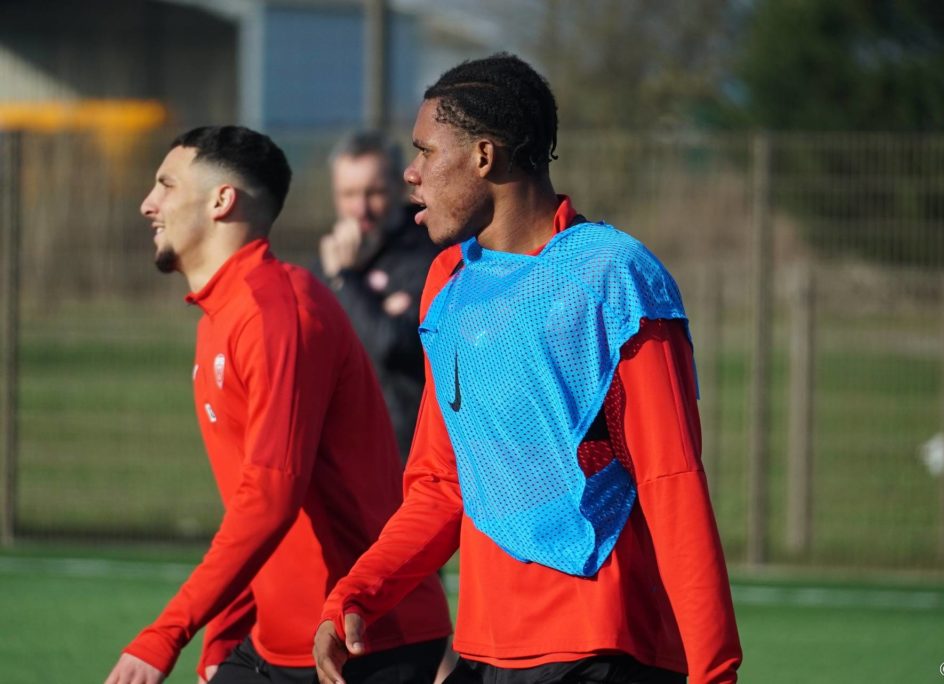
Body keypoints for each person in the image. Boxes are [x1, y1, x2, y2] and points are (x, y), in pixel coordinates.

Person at [314, 53, 742, 684]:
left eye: (426, 151)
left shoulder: (613, 275)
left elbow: (671, 478)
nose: (411, 172)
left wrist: (714, 671)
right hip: (485, 650)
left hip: (600, 648)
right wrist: (356, 593)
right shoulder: (448, 282)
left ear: (484, 157)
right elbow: (440, 485)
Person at [104, 125, 451, 684]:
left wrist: (166, 633)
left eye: (166, 185)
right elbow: (257, 505)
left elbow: (272, 497)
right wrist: (225, 629)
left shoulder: (278, 312)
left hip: (363, 643)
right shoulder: (222, 317)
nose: (149, 204)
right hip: (276, 642)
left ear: (221, 200)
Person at [311, 131, 439, 462]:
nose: (361, 208)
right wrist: (375, 307)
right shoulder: (325, 262)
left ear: (399, 187)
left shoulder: (426, 253)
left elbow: (389, 344)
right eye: (349, 194)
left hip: (403, 448)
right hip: (339, 447)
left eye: (374, 193)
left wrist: (346, 281)